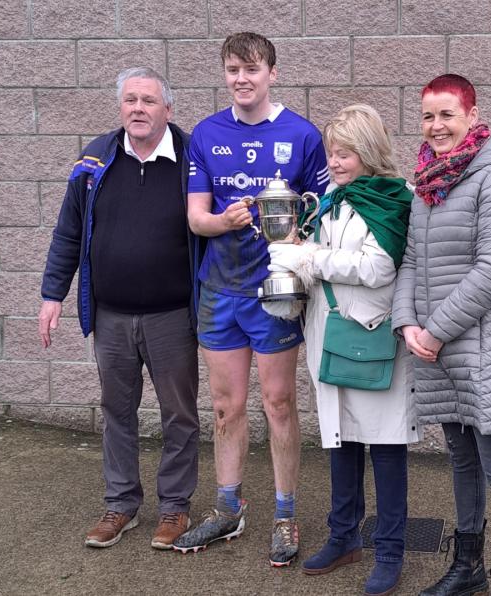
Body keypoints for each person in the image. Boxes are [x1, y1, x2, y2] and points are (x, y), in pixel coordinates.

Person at [171, 32, 329, 566]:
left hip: (276, 291)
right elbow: (197, 217)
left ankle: (285, 515)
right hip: (220, 291)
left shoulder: (303, 135)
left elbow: (323, 214)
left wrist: (294, 240)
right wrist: (223, 221)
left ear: (272, 74)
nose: (242, 79)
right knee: (224, 406)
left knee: (279, 403)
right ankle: (227, 509)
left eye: (252, 69)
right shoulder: (207, 135)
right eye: (233, 69)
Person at [38, 67, 202, 551]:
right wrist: (53, 295)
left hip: (173, 315)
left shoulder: (193, 158)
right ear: (120, 108)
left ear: (167, 110)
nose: (138, 109)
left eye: (148, 101)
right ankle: (121, 505)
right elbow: (68, 231)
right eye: (130, 100)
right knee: (116, 411)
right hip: (110, 316)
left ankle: (174, 508)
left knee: (179, 415)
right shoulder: (95, 159)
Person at [267, 104, 421, 595]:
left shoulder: (394, 199)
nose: (335, 161)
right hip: (330, 336)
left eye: (346, 152)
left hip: (374, 337)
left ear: (369, 152)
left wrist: (308, 256)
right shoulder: (331, 197)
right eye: (332, 152)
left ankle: (391, 551)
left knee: (386, 446)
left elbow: (377, 268)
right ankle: (343, 537)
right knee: (341, 439)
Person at [391, 74, 491, 596]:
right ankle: (468, 565)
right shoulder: (430, 181)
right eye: (428, 116)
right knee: (461, 457)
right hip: (437, 346)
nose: (436, 126)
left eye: (447, 114)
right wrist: (406, 322)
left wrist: (433, 329)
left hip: (488, 348)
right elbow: (410, 258)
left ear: (472, 116)